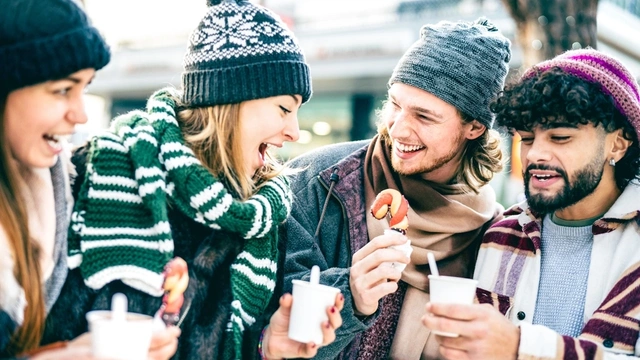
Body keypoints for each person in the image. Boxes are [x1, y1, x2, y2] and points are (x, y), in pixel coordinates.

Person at [41, 0, 344, 359]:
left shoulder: (265, 216)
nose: (294, 131)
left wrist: (268, 345)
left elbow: (244, 346)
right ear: (230, 100)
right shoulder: (102, 170)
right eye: (283, 108)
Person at [283, 18, 511, 359]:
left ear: (474, 127)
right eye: (395, 104)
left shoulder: (491, 232)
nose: (399, 128)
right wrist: (351, 297)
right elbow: (270, 328)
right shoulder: (316, 181)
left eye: (424, 116)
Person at [422, 48, 640, 359]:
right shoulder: (502, 235)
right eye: (526, 139)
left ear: (617, 143)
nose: (535, 154)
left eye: (560, 137)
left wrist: (519, 346)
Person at [0, 0, 181, 359]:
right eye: (63, 89)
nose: (81, 114)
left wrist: (78, 351)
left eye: (85, 88)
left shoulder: (45, 196)